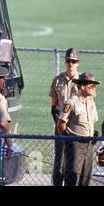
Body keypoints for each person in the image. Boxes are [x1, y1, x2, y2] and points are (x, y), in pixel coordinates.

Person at [57, 72, 100, 186]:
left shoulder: (91, 103)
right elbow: (61, 123)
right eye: (91, 86)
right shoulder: (71, 103)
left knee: (86, 178)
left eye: (94, 86)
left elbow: (92, 121)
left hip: (89, 144)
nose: (93, 89)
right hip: (75, 145)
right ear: (82, 86)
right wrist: (67, 139)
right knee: (73, 178)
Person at [49, 47, 80, 186]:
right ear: (65, 62)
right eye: (68, 61)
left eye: (73, 61)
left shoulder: (82, 82)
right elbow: (53, 106)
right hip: (60, 123)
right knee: (59, 158)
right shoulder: (57, 80)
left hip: (76, 126)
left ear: (78, 63)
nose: (70, 64)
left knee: (74, 159)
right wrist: (59, 124)